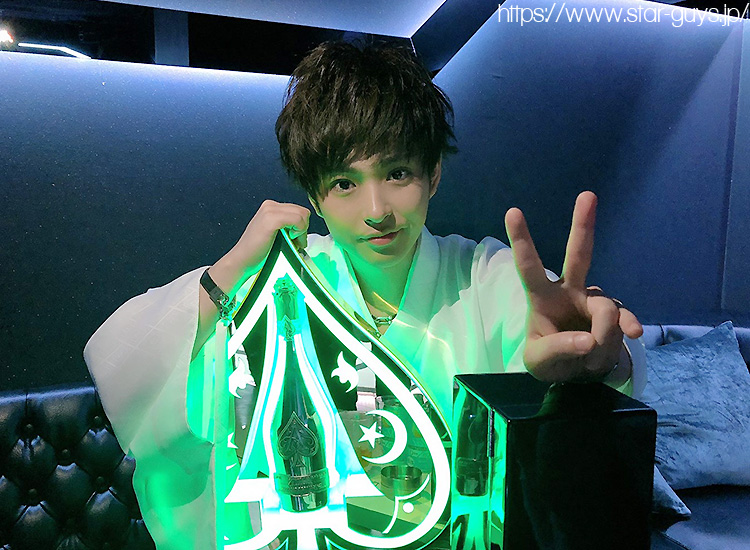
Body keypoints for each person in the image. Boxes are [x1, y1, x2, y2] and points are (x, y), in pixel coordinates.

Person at [84, 41, 645, 550]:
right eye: (344, 183)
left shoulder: (483, 278)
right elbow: (128, 366)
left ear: (433, 174)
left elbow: (588, 350)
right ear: (314, 196)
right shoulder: (281, 286)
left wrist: (602, 357)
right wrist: (228, 273)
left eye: (397, 173)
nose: (377, 211)